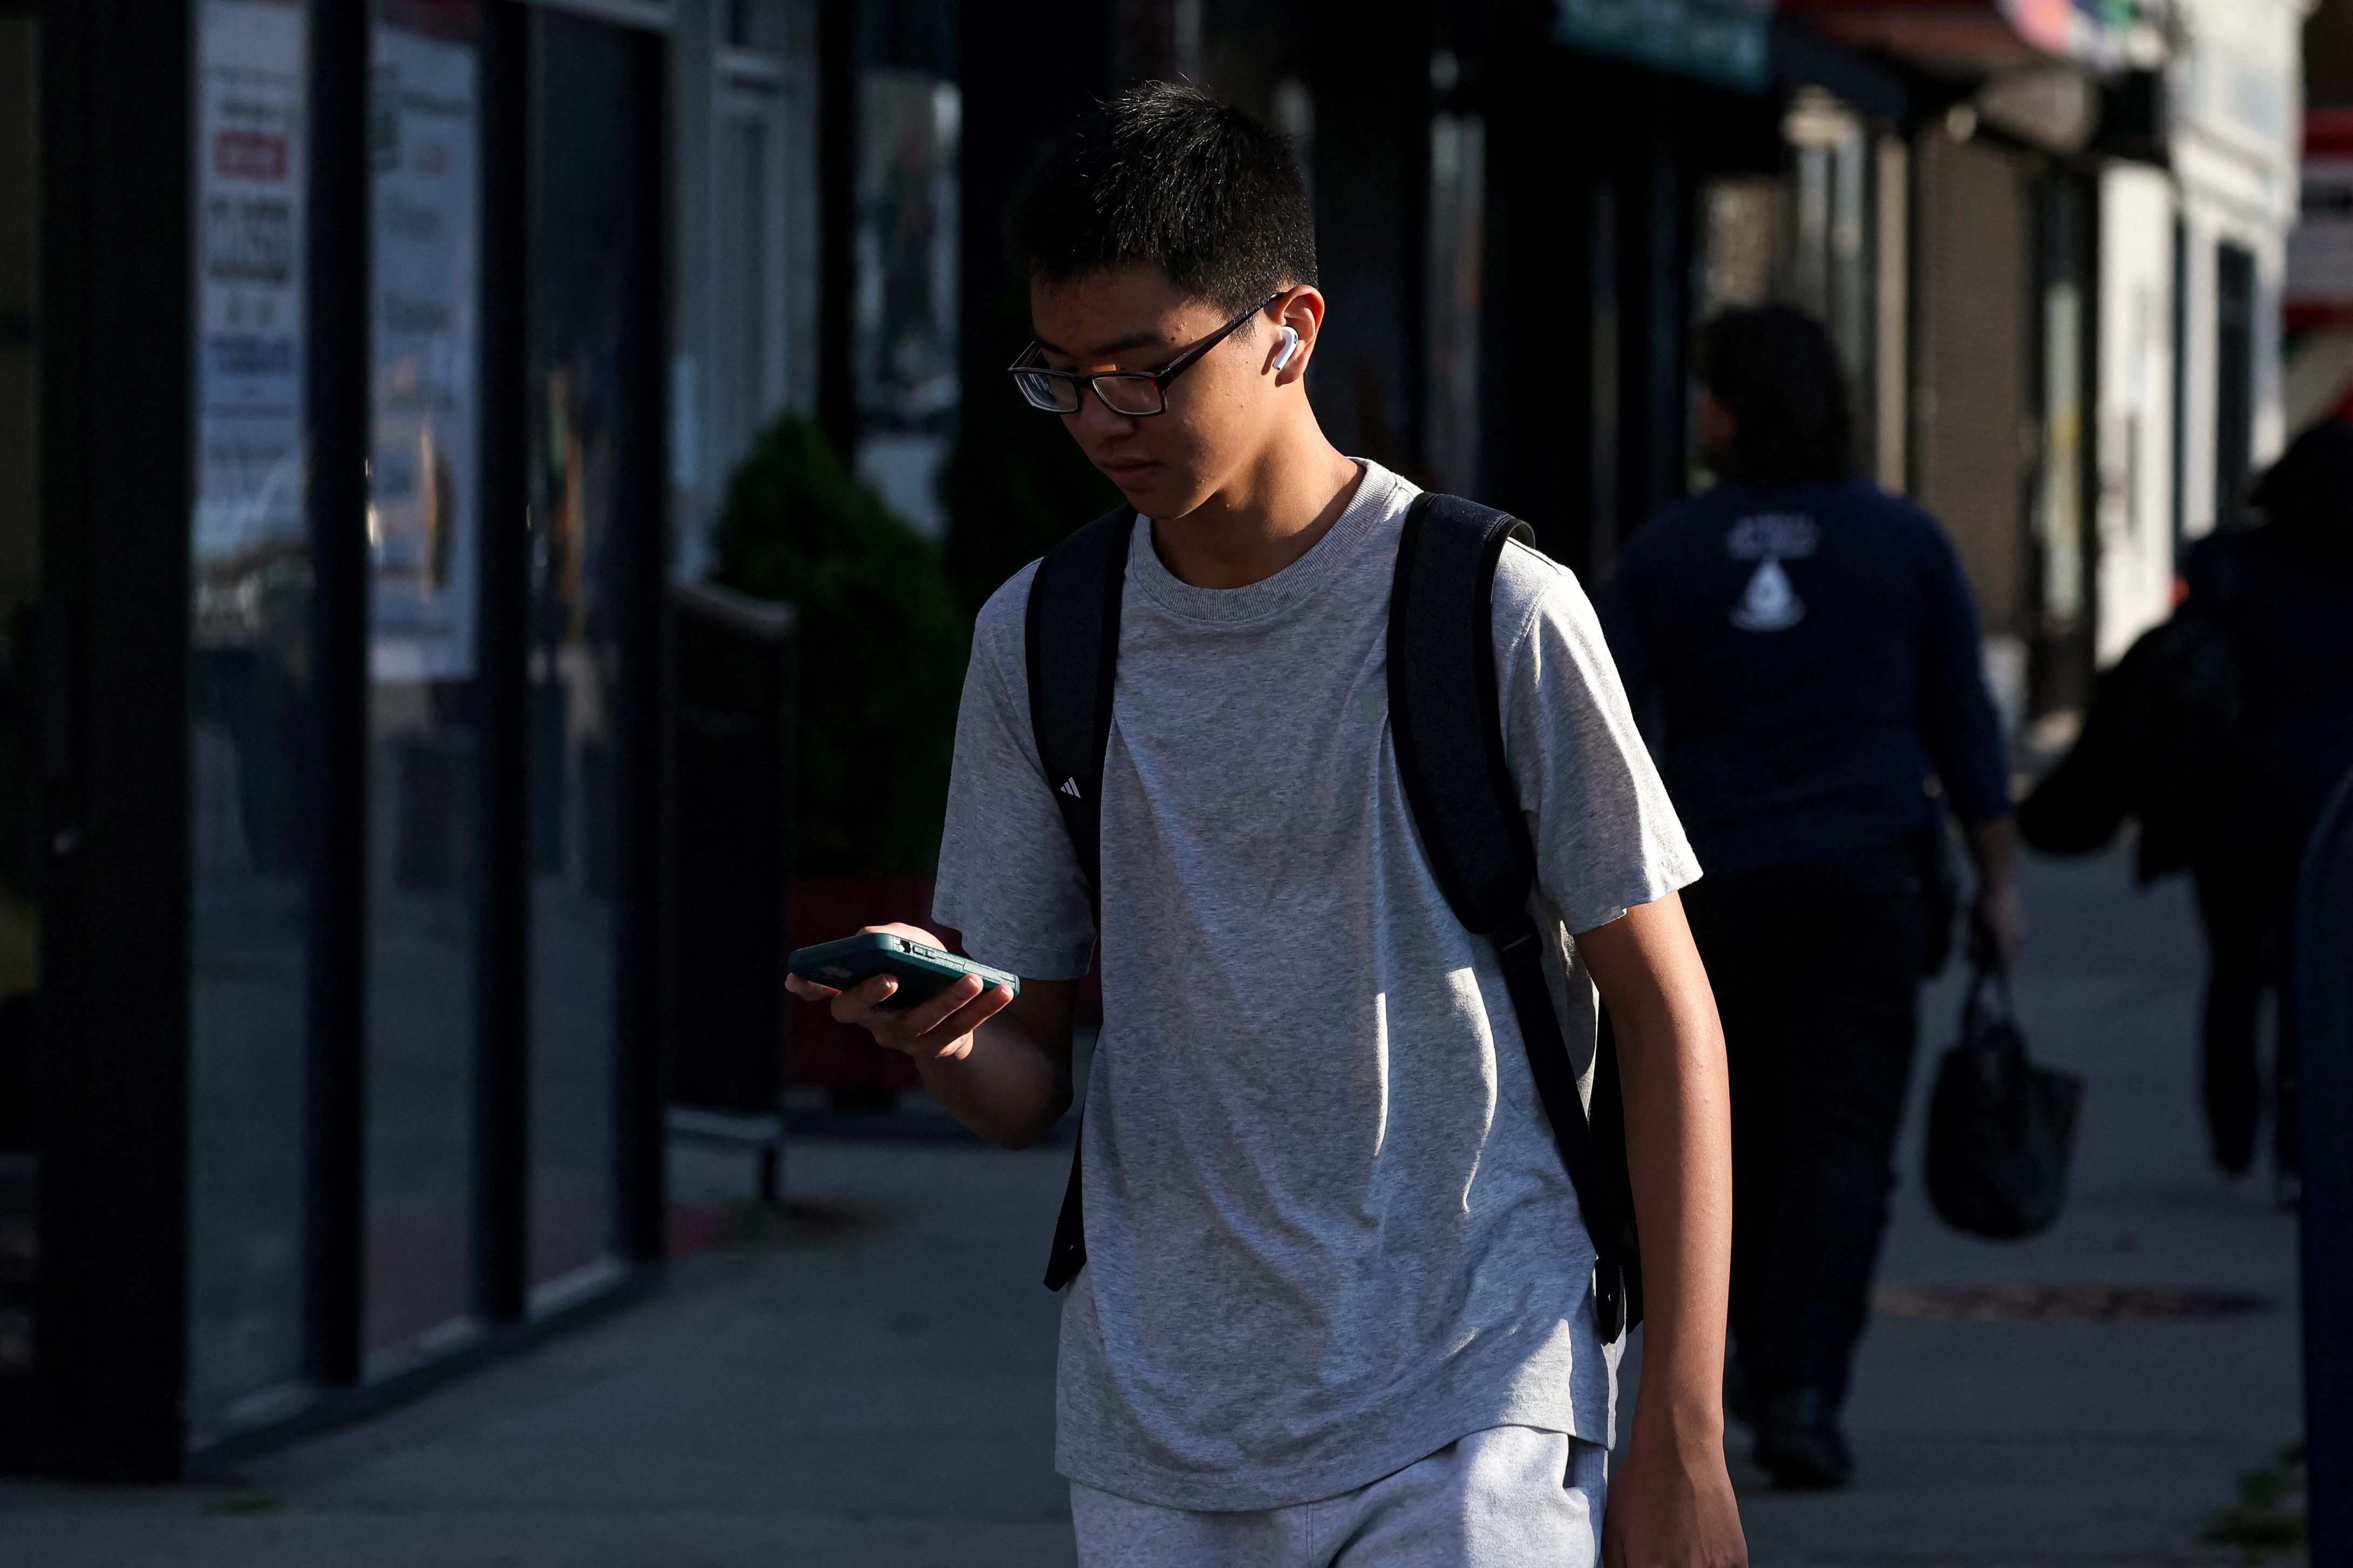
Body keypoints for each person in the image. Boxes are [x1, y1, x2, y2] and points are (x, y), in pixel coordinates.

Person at [788, 85, 1747, 1568]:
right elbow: (1025, 1087)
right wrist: (939, 1035)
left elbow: (1665, 1005)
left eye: (1142, 372)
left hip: (1471, 1387)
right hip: (1158, 1426)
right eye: (1060, 377)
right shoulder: (1042, 637)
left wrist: (1682, 1438)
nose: (1098, 420)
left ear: (1288, 330)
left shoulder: (1493, 610)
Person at [1600, 305, 2022, 1491]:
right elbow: (1964, 725)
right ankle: (1800, 1387)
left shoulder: (1669, 551)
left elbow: (1601, 729)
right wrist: (1996, 880)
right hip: (1866, 878)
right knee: (1842, 1139)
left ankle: (1732, 1353)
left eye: (1707, 390)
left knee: (1723, 1128)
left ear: (1735, 407)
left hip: (1714, 885)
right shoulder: (1902, 540)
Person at [2022, 415, 2353, 1194]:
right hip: (2330, 810)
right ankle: (2298, 1146)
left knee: (2234, 967)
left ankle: (2234, 1128)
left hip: (2233, 801)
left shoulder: (2228, 561)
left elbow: (2185, 667)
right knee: (2314, 977)